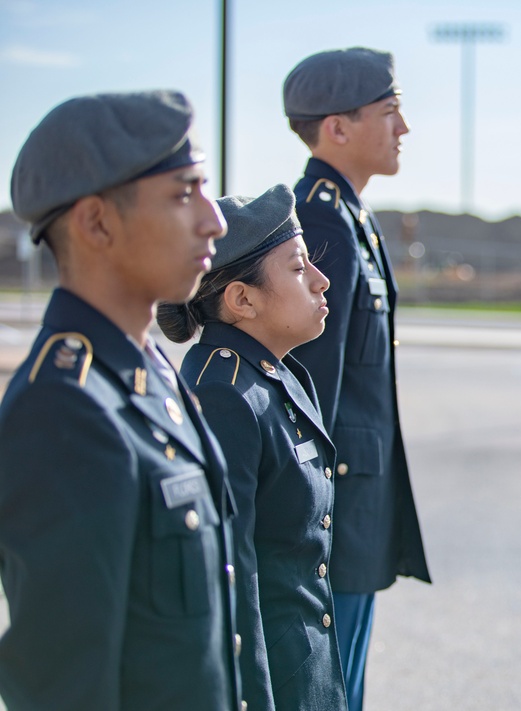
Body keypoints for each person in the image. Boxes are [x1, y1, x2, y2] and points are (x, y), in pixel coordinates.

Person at [0, 90, 241, 710]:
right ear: (97, 223)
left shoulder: (150, 371)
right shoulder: (66, 411)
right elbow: (63, 689)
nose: (213, 219)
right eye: (185, 193)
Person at [157, 184, 348, 711]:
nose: (321, 280)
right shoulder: (225, 395)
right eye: (297, 268)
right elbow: (232, 584)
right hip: (274, 686)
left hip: (308, 671)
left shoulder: (275, 377)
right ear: (241, 299)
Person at [282, 47, 431, 709]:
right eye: (390, 111)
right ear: (337, 128)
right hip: (333, 517)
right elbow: (307, 396)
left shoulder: (347, 217)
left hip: (356, 510)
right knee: (327, 690)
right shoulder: (320, 224)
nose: (404, 127)